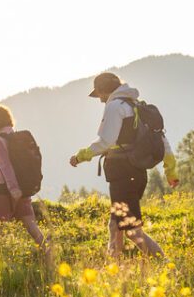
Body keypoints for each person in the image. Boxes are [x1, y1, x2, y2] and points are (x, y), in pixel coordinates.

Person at [68, 72, 177, 258]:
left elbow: (106, 141)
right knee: (115, 224)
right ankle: (113, 268)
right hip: (137, 172)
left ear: (104, 90)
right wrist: (170, 170)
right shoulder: (137, 106)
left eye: (99, 94)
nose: (100, 99)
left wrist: (80, 156)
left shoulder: (114, 106)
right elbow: (161, 140)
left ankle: (165, 262)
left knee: (132, 230)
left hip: (122, 172)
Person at [0, 104, 47, 249]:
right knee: (31, 226)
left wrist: (13, 189)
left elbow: (6, 165)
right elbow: (11, 163)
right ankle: (48, 251)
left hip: (3, 190)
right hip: (23, 186)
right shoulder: (17, 137)